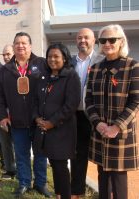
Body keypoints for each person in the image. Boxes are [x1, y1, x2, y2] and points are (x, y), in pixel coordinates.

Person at [0, 32, 51, 198]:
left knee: (40, 153)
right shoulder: (5, 70)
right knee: (21, 153)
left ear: (30, 46)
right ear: (13, 46)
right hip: (17, 120)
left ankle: (40, 184)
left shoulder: (42, 64)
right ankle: (24, 182)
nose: (20, 46)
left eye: (24, 43)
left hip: (39, 119)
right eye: (17, 43)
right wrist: (2, 116)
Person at [85, 24, 139, 199]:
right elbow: (89, 100)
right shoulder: (95, 69)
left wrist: (116, 127)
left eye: (112, 39)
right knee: (103, 176)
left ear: (121, 41)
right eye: (103, 40)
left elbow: (136, 100)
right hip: (100, 131)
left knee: (118, 178)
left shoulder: (132, 66)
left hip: (121, 133)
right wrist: (98, 123)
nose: (107, 43)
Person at [33, 43, 81, 199]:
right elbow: (36, 101)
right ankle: (59, 195)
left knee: (60, 167)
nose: (52, 59)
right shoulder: (43, 76)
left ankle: (65, 195)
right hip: (44, 130)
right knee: (53, 164)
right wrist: (37, 118)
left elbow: (71, 105)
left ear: (64, 58)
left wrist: (52, 122)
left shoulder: (71, 76)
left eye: (56, 56)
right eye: (49, 56)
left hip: (61, 131)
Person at [70, 28, 104, 199]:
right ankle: (77, 192)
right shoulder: (69, 62)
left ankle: (104, 193)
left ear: (94, 40)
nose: (82, 40)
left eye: (86, 38)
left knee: (101, 156)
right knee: (77, 155)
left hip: (97, 116)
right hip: (75, 115)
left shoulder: (102, 60)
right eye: (79, 37)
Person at [0, 44, 16, 179]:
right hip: (4, 114)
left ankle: (23, 171)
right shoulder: (1, 71)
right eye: (4, 55)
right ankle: (9, 170)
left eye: (8, 54)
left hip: (19, 115)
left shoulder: (21, 69)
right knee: (5, 143)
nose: (6, 57)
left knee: (20, 145)